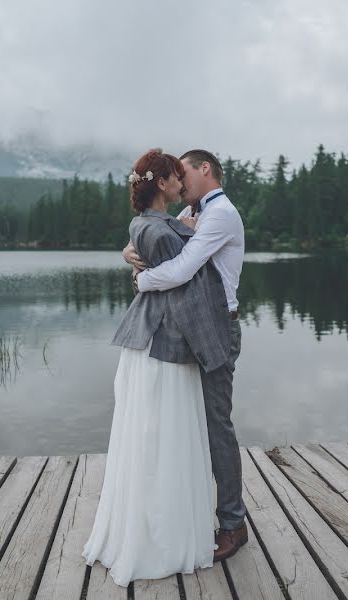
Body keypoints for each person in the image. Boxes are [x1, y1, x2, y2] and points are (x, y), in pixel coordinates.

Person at [83, 149, 231, 587]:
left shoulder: (157, 222)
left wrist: (138, 264)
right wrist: (211, 347)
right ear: (162, 183)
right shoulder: (165, 228)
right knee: (165, 437)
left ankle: (141, 529)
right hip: (164, 346)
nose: (181, 181)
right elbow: (185, 284)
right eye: (174, 175)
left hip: (144, 341)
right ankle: (161, 540)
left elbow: (153, 242)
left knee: (148, 435)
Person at [123, 149, 248, 562]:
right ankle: (191, 516)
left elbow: (181, 268)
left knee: (217, 426)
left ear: (205, 169)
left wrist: (141, 280)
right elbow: (154, 232)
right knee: (188, 423)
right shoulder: (197, 210)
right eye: (173, 176)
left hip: (217, 328)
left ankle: (233, 524)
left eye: (185, 173)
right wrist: (128, 251)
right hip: (192, 327)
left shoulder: (222, 213)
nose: (180, 181)